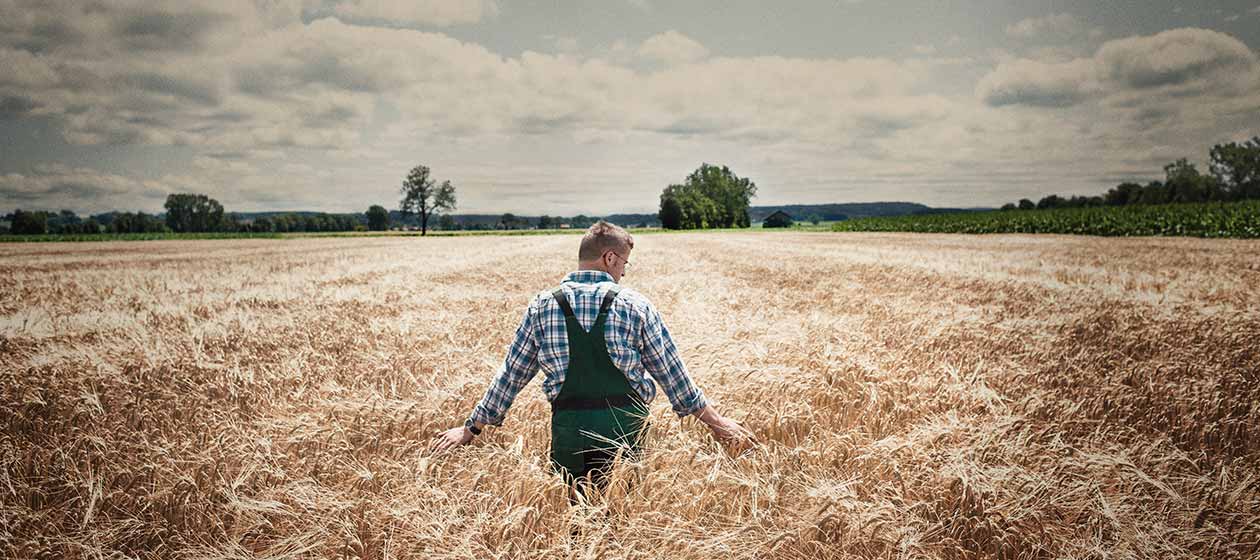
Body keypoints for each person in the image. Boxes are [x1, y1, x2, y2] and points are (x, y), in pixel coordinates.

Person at [429, 220, 756, 492]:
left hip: (570, 433)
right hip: (625, 431)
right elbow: (673, 377)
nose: (625, 272)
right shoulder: (635, 305)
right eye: (625, 263)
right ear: (610, 258)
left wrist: (470, 429)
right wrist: (717, 423)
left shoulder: (542, 306)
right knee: (623, 520)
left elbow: (510, 376)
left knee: (575, 525)